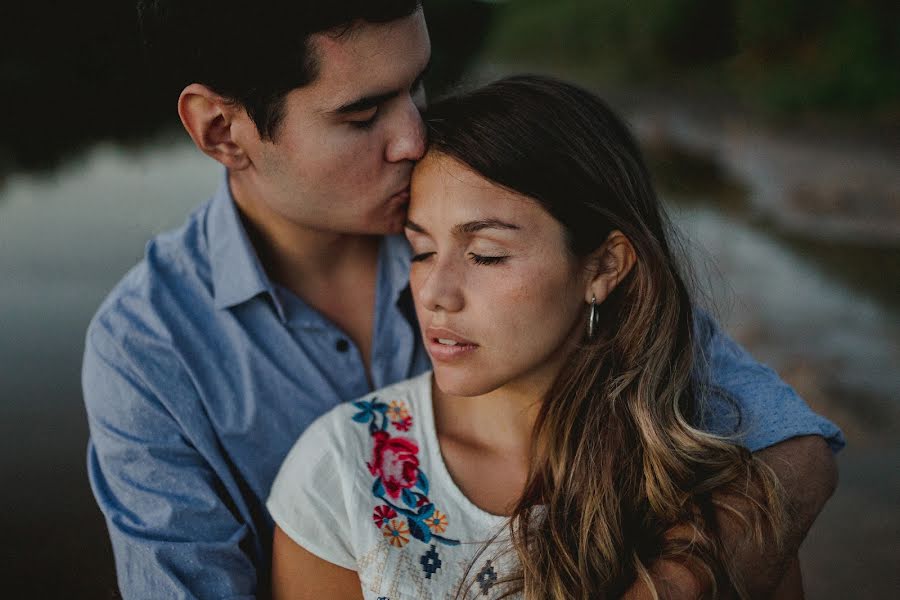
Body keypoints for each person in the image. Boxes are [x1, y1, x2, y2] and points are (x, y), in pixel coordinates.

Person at [83, 2, 841, 598]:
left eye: (418, 86)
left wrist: (675, 584)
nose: (415, 137)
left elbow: (792, 445)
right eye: (361, 114)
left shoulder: (487, 201)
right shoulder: (146, 353)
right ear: (221, 129)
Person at [265, 75, 843, 600]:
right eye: (421, 251)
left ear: (603, 268)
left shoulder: (714, 491)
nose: (435, 292)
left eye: (486, 255)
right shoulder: (339, 477)